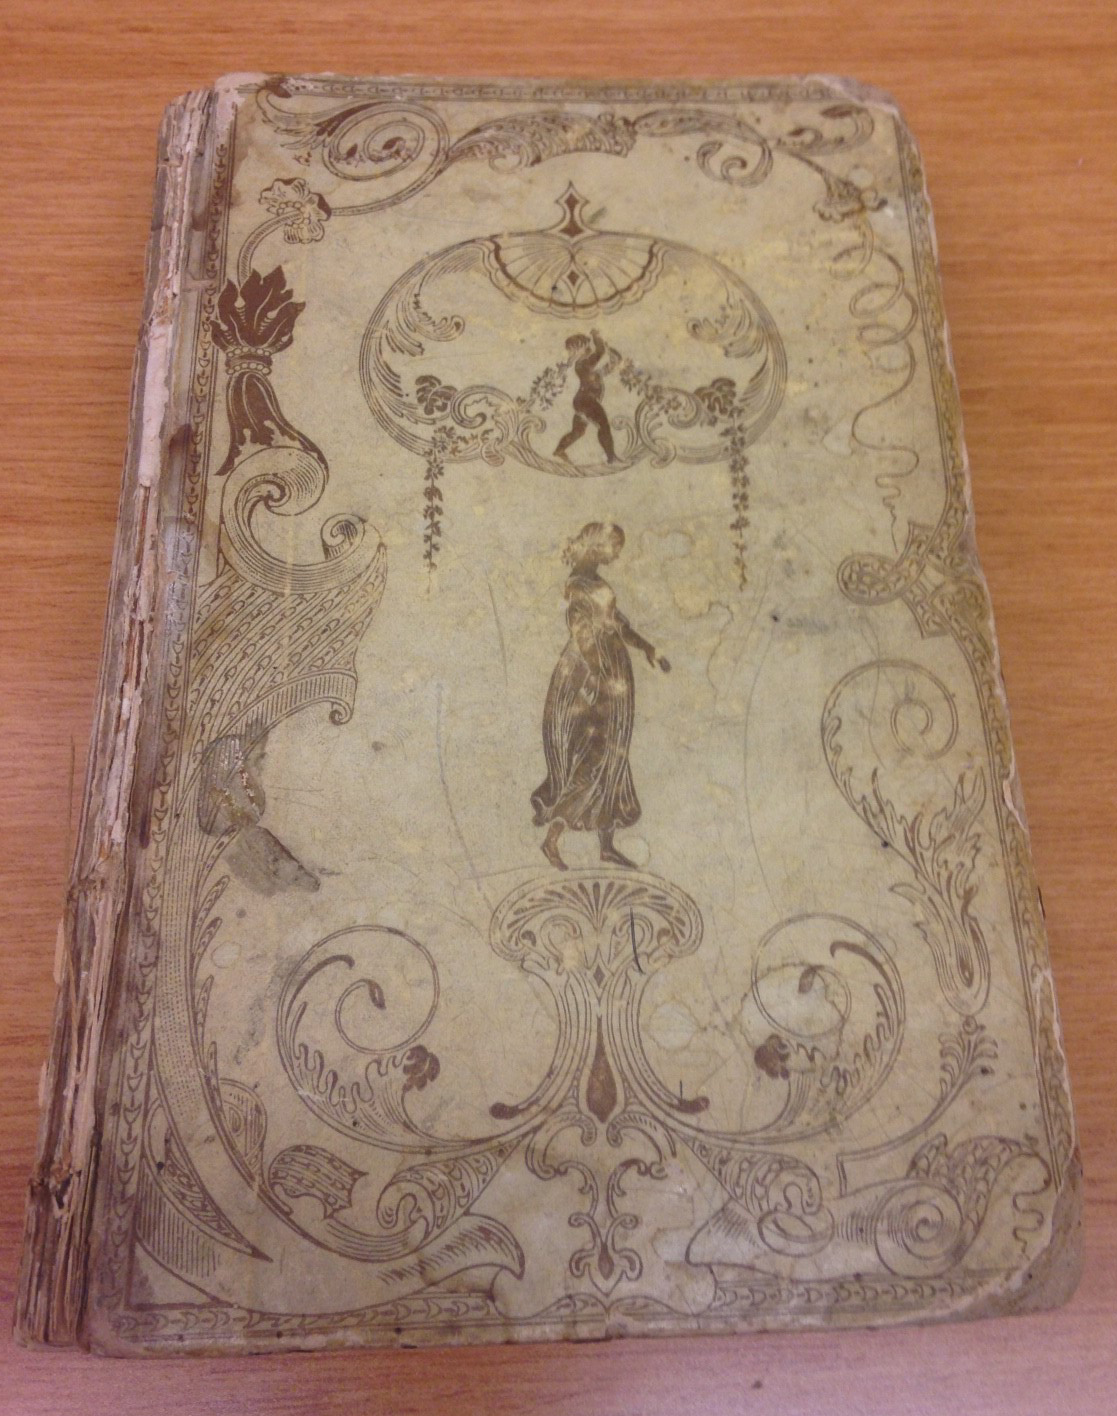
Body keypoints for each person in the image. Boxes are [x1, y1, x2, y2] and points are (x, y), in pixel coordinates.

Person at [531, 523, 670, 870]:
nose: (617, 554)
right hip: (593, 675)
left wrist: (648, 648)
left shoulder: (595, 580)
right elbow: (580, 632)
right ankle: (552, 840)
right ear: (598, 545)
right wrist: (599, 675)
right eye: (614, 546)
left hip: (612, 669)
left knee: (613, 756)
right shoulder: (578, 583)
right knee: (592, 757)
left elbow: (617, 623)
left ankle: (606, 846)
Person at [554, 330, 618, 464]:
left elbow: (602, 372)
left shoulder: (584, 365)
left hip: (582, 401)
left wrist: (613, 358)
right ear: (579, 348)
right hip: (587, 401)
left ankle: (559, 450)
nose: (588, 347)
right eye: (583, 346)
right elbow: (600, 351)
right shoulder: (583, 363)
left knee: (578, 431)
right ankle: (611, 458)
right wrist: (596, 336)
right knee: (603, 426)